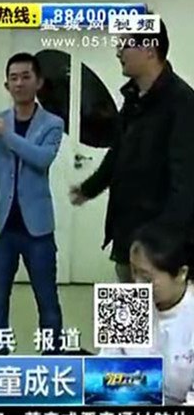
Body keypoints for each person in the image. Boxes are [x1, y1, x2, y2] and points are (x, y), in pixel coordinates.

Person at [70, 19, 194, 283]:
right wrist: (89, 188)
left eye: (124, 45)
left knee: (161, 310)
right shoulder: (133, 99)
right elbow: (118, 152)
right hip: (128, 237)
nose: (118, 52)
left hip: (161, 250)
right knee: (125, 309)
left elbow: (185, 185)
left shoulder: (182, 103)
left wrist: (163, 243)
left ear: (149, 50)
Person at [0, 53, 64, 354]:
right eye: (13, 78)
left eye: (26, 76)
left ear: (38, 82)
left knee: (47, 299)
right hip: (2, 227)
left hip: (37, 229)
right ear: (7, 84)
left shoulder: (52, 123)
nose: (19, 83)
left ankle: (53, 357)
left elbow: (41, 159)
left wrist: (7, 136)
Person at [99, 224, 194, 405]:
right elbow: (104, 372)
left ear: (181, 273)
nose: (138, 285)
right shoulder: (125, 302)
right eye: (134, 272)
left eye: (147, 278)